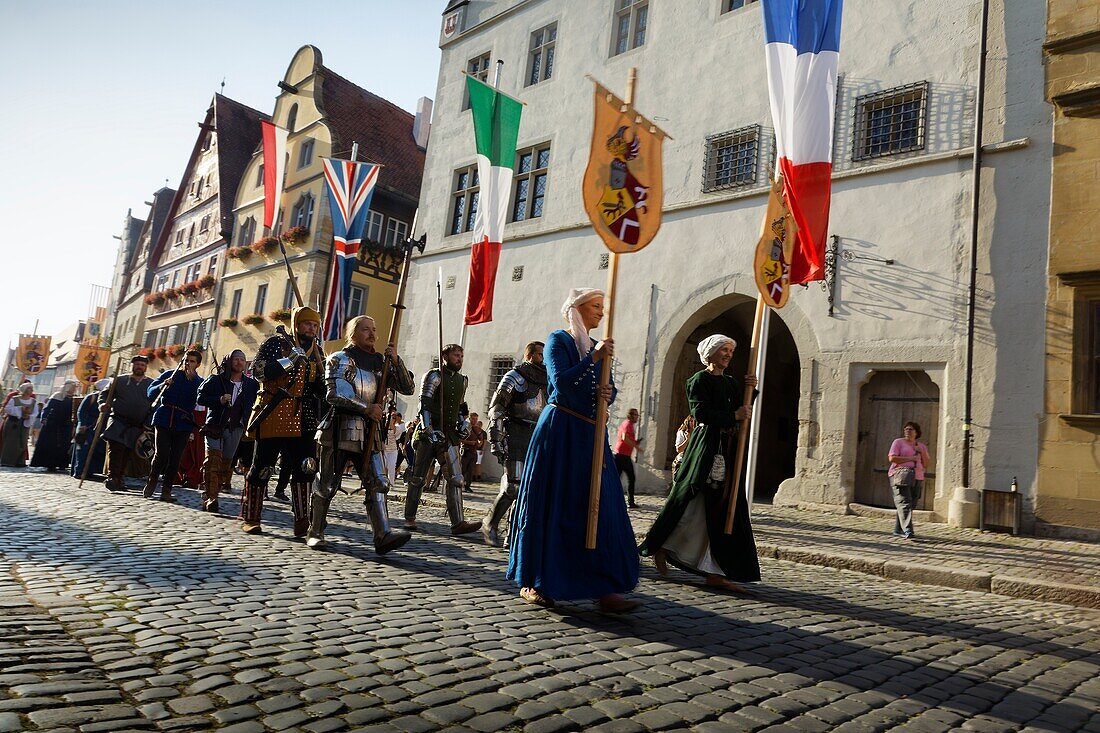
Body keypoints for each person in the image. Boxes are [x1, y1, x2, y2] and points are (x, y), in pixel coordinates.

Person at [507, 288, 640, 613]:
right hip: (561, 429)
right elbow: (562, 383)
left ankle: (604, 586)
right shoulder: (559, 340)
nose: (600, 312)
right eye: (595, 306)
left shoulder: (597, 348)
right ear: (577, 309)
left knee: (601, 505)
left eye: (601, 307)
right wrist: (594, 359)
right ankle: (536, 580)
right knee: (553, 503)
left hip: (591, 433)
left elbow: (601, 385)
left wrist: (608, 389)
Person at [639, 335, 760, 592]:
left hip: (727, 448)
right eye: (723, 350)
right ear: (711, 353)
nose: (728, 354)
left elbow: (742, 407)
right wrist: (733, 415)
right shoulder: (698, 380)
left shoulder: (730, 382)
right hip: (705, 447)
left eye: (730, 350)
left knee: (719, 509)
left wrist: (751, 389)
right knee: (689, 503)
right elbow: (700, 413)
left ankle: (714, 570)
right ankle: (660, 545)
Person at [308, 315, 415, 552]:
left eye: (374, 329)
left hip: (371, 432)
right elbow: (335, 394)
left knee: (379, 483)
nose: (372, 333)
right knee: (327, 484)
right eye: (365, 329)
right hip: (341, 428)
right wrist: (367, 408)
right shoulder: (340, 359)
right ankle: (315, 531)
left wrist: (396, 362)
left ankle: (382, 535)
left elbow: (408, 388)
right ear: (353, 334)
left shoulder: (382, 362)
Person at [240, 306, 325, 536]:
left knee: (306, 468)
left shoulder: (317, 352)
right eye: (307, 324)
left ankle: (302, 520)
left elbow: (319, 391)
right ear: (297, 324)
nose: (312, 329)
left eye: (315, 325)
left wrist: (324, 377)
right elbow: (258, 372)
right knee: (263, 467)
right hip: (273, 409)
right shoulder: (276, 343)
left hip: (303, 413)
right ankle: (252, 517)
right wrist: (289, 360)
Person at [403, 344, 481, 535]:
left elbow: (461, 406)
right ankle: (410, 517)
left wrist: (464, 423)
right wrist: (428, 429)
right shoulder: (434, 376)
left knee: (456, 479)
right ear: (444, 356)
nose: (459, 359)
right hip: (429, 434)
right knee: (418, 478)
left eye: (461, 355)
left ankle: (458, 522)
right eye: (456, 355)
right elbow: (425, 404)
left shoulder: (462, 380)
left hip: (450, 435)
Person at [483, 341, 548, 547]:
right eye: (540, 354)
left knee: (528, 489)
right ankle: (490, 523)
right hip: (515, 433)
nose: (543, 359)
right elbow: (497, 408)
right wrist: (496, 438)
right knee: (513, 486)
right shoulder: (514, 376)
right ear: (529, 355)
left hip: (536, 436)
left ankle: (512, 534)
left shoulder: (548, 381)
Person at [196, 349, 259, 513]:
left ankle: (213, 492)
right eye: (236, 359)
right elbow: (200, 398)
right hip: (215, 426)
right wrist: (219, 399)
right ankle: (211, 498)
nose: (239, 362)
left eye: (242, 360)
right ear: (229, 362)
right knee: (212, 461)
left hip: (236, 427)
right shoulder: (216, 380)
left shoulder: (251, 384)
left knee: (226, 465)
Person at [143, 349, 204, 502]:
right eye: (186, 360)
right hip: (164, 417)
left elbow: (203, 400)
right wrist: (163, 385)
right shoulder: (171, 374)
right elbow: (150, 391)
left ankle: (167, 489)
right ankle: (152, 481)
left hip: (183, 421)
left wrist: (196, 383)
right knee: (161, 454)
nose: (188, 363)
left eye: (192, 361)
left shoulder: (199, 382)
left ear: (197, 364)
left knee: (176, 457)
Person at [100, 355, 154, 491]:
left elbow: (156, 403)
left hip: (137, 425)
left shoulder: (151, 384)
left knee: (128, 452)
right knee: (116, 449)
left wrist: (148, 423)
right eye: (137, 364)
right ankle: (112, 477)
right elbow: (104, 395)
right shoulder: (119, 380)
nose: (139, 367)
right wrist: (102, 404)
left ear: (145, 367)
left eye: (142, 365)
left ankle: (119, 478)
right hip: (118, 420)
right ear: (132, 366)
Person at [888, 421, 932, 539]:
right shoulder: (898, 442)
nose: (907, 431)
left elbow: (926, 464)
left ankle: (898, 529)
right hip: (900, 475)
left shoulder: (921, 446)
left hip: (917, 476)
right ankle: (908, 530)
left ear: (916, 432)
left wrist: (921, 451)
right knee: (904, 502)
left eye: (911, 429)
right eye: (906, 429)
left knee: (911, 504)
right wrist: (910, 458)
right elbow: (892, 458)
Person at [31, 378, 80, 472]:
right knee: (51, 444)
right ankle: (50, 464)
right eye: (73, 387)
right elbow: (47, 408)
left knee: (64, 445)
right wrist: (44, 418)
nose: (74, 389)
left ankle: (62, 464)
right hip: (54, 424)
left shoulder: (75, 398)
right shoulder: (57, 396)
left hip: (66, 425)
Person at [72, 378, 110, 480]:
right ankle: (79, 471)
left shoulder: (108, 400)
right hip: (86, 428)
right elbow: (81, 411)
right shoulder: (91, 397)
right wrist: (83, 424)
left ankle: (90, 471)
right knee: (83, 451)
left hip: (100, 428)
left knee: (96, 451)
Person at [1, 383, 39, 467]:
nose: (31, 390)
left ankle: (20, 461)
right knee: (11, 442)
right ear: (24, 390)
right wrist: (19, 412)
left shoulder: (33, 401)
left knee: (22, 442)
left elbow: (35, 412)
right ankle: (8, 461)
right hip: (13, 423)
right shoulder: (15, 399)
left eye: (32, 389)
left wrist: (29, 416)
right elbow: (8, 409)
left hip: (25, 424)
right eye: (29, 388)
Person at [614, 408, 643, 508]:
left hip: (622, 455)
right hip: (622, 456)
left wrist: (635, 443)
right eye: (635, 415)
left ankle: (616, 500)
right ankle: (630, 502)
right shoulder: (627, 424)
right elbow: (624, 437)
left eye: (637, 415)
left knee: (617, 479)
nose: (637, 417)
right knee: (631, 478)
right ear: (630, 415)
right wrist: (636, 447)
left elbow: (628, 439)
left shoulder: (629, 425)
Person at [459, 412, 483, 492]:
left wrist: (480, 443)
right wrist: (470, 443)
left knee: (471, 470)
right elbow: (460, 439)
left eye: (476, 419)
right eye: (473, 419)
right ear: (470, 419)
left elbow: (481, 439)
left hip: (474, 451)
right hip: (466, 450)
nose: (474, 421)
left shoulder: (477, 429)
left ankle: (467, 485)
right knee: (463, 469)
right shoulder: (465, 427)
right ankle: (459, 484)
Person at [381, 411, 406, 487]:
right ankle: (383, 482)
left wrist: (391, 420)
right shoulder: (382, 428)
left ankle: (391, 483)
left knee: (391, 466)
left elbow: (393, 429)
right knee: (383, 466)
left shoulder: (398, 428)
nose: (392, 419)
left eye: (394, 418)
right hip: (384, 449)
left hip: (393, 450)